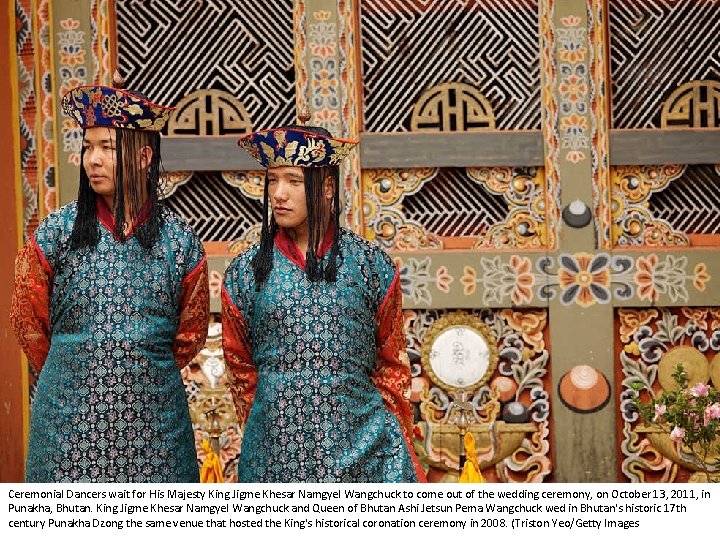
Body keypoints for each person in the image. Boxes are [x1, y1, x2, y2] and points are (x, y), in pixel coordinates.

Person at [10, 77, 209, 482]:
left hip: (155, 425)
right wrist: (76, 365)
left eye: (107, 148)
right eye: (87, 147)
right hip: (68, 421)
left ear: (143, 157)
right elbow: (28, 322)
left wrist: (138, 366)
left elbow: (190, 334)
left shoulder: (179, 241)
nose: (92, 160)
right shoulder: (56, 233)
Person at [222, 123, 426, 482]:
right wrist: (274, 420)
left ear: (327, 187)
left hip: (364, 453)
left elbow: (392, 365)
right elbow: (241, 368)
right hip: (274, 455)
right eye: (272, 181)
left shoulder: (370, 266)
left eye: (293, 181)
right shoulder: (245, 272)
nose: (279, 194)